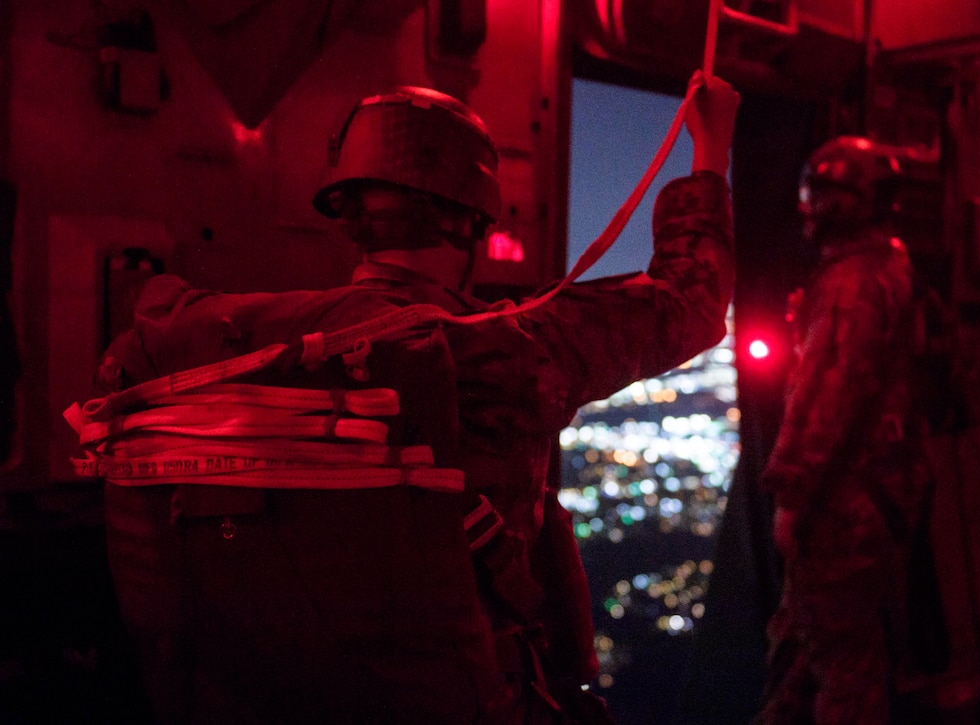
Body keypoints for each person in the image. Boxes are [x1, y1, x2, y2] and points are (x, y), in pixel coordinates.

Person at [67, 71, 739, 723]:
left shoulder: (245, 356)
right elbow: (693, 300)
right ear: (473, 218)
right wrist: (711, 145)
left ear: (348, 214)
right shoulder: (501, 349)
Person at [755, 136, 926, 724]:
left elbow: (828, 395)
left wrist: (792, 498)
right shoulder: (891, 265)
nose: (813, 209)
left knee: (844, 674)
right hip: (877, 502)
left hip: (842, 511)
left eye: (823, 196)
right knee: (806, 647)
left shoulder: (851, 283)